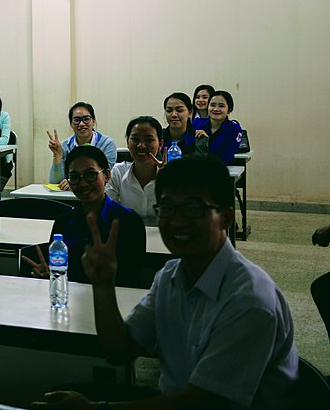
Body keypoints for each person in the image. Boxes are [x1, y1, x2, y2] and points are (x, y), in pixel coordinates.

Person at [34, 155, 298, 409]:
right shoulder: (171, 276)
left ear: (226, 218)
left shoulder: (249, 300)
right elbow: (118, 351)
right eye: (168, 208)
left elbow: (203, 403)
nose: (178, 221)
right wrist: (103, 285)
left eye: (194, 209)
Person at [21, 146, 145, 288]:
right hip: (72, 302)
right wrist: (51, 275)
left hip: (113, 302)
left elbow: (131, 280)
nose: (83, 183)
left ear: (107, 175)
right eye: (74, 177)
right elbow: (61, 269)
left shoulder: (129, 222)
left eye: (91, 174)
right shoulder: (64, 222)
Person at [105, 117, 164, 226]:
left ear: (160, 144)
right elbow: (110, 212)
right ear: (127, 142)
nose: (141, 145)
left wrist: (168, 179)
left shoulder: (169, 174)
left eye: (149, 140)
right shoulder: (118, 173)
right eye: (135, 139)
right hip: (128, 236)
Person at [48, 102, 117, 189]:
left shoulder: (107, 144)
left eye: (86, 119)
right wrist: (57, 156)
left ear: (94, 121)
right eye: (76, 120)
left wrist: (74, 183)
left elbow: (104, 177)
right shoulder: (64, 146)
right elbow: (55, 183)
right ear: (71, 124)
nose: (81, 124)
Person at [193, 90, 243, 165]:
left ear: (229, 110)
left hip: (219, 171)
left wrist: (205, 142)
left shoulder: (234, 129)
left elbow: (225, 158)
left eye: (221, 106)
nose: (216, 109)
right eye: (212, 105)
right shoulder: (196, 124)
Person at [162, 92, 206, 156]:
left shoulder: (198, 139)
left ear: (190, 113)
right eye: (169, 111)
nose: (174, 115)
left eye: (179, 110)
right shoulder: (158, 137)